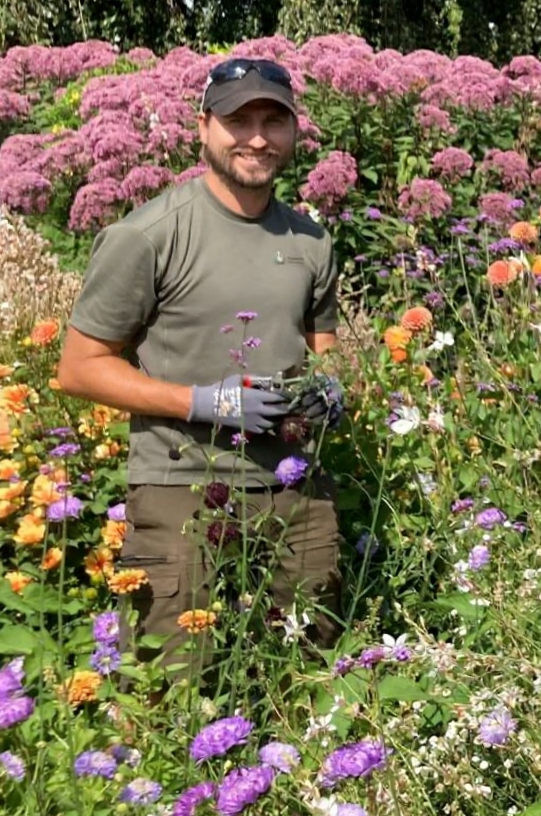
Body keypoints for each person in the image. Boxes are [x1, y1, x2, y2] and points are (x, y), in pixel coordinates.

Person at [57, 58, 344, 684]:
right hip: (180, 483)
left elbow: (325, 353)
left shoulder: (311, 241)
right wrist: (200, 401)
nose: (259, 138)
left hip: (294, 486)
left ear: (296, 131)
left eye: (275, 120)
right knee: (174, 683)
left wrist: (330, 390)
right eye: (240, 120)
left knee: (310, 675)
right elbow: (78, 368)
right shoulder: (149, 235)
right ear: (203, 127)